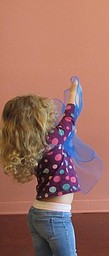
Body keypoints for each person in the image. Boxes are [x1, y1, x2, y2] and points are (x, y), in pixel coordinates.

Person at [0, 79, 80, 256]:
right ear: (39, 120)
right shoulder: (52, 141)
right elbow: (69, 117)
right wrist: (73, 91)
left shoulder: (31, 146)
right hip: (56, 218)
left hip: (36, 215)